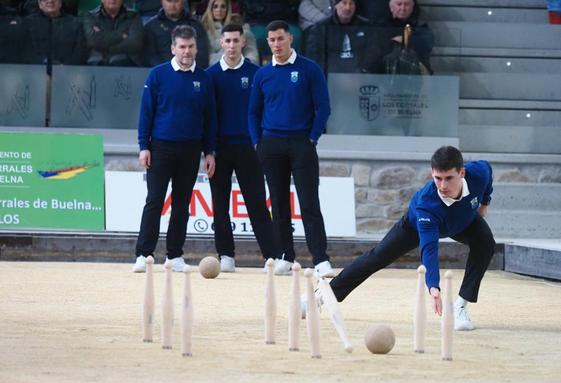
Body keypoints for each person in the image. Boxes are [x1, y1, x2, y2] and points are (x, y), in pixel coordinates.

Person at [313, 146, 495, 331]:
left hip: (463, 219)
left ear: (462, 172)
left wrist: (484, 203)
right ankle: (324, 294)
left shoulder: (478, 173)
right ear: (432, 174)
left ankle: (460, 307)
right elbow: (429, 249)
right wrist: (433, 287)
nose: (442, 186)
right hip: (417, 227)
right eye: (437, 178)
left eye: (449, 178)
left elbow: (488, 171)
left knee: (486, 243)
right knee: (378, 257)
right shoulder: (427, 205)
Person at [248, 20, 334, 278]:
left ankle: (320, 259)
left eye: (280, 39)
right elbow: (253, 112)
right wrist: (257, 141)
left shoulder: (309, 69)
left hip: (302, 144)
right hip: (271, 145)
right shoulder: (262, 74)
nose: (276, 44)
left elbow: (324, 108)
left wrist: (312, 138)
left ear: (290, 39)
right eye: (272, 40)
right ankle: (284, 256)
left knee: (309, 203)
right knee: (279, 203)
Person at [133, 25, 217, 273]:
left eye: (191, 46)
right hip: (160, 148)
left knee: (182, 203)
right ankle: (143, 254)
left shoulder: (204, 78)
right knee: (155, 201)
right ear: (173, 48)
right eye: (182, 46)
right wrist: (143, 146)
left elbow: (210, 118)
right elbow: (145, 113)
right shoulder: (157, 75)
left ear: (196, 48)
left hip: (191, 150)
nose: (186, 51)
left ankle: (174, 255)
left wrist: (209, 151)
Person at [206, 23, 278, 272]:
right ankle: (226, 255)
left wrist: (261, 143)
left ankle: (272, 256)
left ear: (243, 42)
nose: (232, 45)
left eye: (236, 41)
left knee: (257, 203)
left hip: (249, 149)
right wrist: (209, 151)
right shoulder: (211, 75)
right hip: (220, 150)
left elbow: (263, 111)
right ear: (221, 43)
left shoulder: (257, 74)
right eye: (227, 41)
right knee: (220, 205)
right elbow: (208, 116)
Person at [304, 0, 370, 73]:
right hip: (330, 74)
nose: (348, 8)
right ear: (336, 5)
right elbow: (314, 55)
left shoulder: (366, 26)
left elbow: (371, 52)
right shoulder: (321, 28)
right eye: (344, 3)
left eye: (351, 3)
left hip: (358, 74)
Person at [144, 0, 209, 68]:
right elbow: (150, 56)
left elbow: (202, 55)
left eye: (176, 1)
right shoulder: (151, 26)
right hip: (162, 73)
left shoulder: (196, 25)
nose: (172, 5)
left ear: (183, 1)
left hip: (191, 73)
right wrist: (167, 70)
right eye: (169, 1)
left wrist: (187, 70)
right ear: (162, 1)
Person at [23, 0, 86, 65]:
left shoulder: (75, 23)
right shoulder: (27, 23)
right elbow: (25, 52)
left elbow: (80, 52)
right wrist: (45, 62)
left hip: (69, 71)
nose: (50, 1)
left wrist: (64, 67)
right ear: (39, 3)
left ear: (60, 2)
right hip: (35, 70)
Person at [83, 0, 144, 66]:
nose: (112, 0)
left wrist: (103, 39)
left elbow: (135, 43)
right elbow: (93, 41)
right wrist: (121, 36)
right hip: (97, 62)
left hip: (125, 62)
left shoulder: (133, 16)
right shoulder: (91, 16)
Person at [379, 0, 434, 73]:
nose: (403, 8)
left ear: (412, 8)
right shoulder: (381, 26)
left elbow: (428, 44)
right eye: (399, 4)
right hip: (386, 69)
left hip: (414, 69)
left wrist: (405, 40)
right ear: (391, 7)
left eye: (406, 5)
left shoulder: (420, 26)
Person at [200, 0, 258, 65]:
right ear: (210, 9)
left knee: (246, 34)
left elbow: (250, 50)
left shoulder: (239, 24)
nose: (219, 10)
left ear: (227, 9)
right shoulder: (204, 30)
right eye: (215, 7)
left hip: (242, 63)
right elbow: (208, 56)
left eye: (223, 7)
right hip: (219, 65)